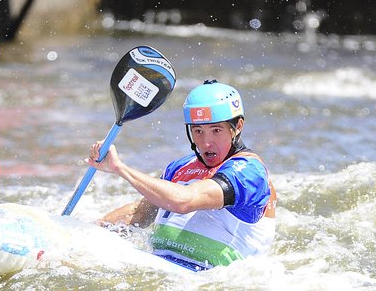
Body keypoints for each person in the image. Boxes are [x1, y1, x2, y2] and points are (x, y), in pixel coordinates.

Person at [86, 80, 277, 271]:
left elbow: (184, 201)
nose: (206, 142)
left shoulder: (249, 173)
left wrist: (120, 169)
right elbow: (140, 212)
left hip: (208, 278)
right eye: (198, 131)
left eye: (216, 130)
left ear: (238, 126)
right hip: (160, 267)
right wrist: (86, 231)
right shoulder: (179, 167)